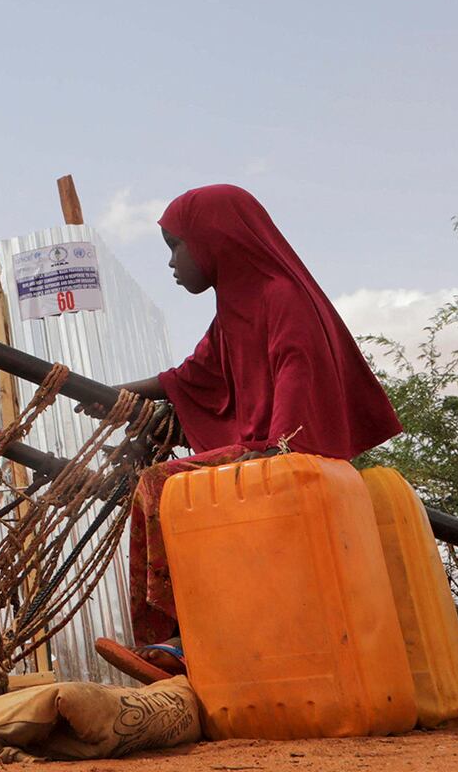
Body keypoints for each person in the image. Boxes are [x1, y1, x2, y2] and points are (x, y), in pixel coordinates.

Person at [87, 183, 402, 680]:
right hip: (267, 454)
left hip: (290, 455)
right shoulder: (237, 307)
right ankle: (181, 639)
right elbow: (191, 377)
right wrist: (111, 395)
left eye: (176, 245)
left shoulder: (281, 296)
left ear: (215, 238)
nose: (171, 262)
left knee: (157, 485)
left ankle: (184, 638)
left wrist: (279, 449)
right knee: (160, 484)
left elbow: (298, 370)